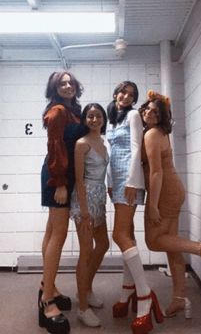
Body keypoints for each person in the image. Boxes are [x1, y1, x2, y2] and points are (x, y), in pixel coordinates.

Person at [139, 90, 201, 319]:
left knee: (154, 241)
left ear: (162, 117)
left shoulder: (152, 134)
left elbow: (156, 173)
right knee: (171, 245)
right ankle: (178, 298)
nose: (149, 113)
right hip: (174, 189)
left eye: (156, 112)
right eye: (147, 108)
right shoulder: (159, 132)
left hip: (165, 191)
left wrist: (153, 205)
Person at [106, 81, 163, 334]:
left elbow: (135, 148)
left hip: (129, 182)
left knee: (118, 235)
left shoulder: (132, 115)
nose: (126, 97)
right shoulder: (113, 118)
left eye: (131, 95)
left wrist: (130, 182)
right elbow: (111, 152)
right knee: (127, 235)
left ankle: (144, 294)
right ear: (116, 92)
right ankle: (127, 291)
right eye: (123, 92)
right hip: (116, 180)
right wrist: (110, 182)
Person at [39, 71, 86, 334]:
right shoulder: (57, 112)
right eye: (62, 83)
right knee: (59, 234)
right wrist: (59, 182)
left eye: (70, 82)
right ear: (55, 88)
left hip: (62, 174)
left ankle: (48, 285)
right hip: (58, 175)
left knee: (51, 232)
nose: (67, 86)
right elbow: (55, 147)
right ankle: (47, 300)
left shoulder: (71, 110)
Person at [70, 103, 110, 328]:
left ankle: (85, 289)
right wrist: (84, 212)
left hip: (100, 197)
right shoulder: (81, 144)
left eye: (97, 116)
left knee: (103, 244)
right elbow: (78, 179)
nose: (94, 119)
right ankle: (82, 308)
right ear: (85, 120)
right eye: (90, 116)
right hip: (83, 198)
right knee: (85, 251)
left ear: (103, 118)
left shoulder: (104, 142)